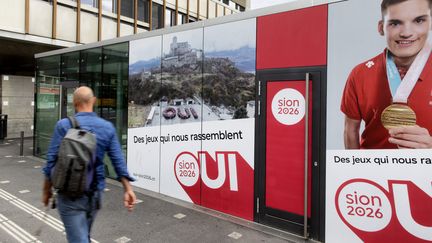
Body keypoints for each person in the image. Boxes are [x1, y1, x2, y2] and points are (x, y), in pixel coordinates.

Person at [42, 86, 136, 243]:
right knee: (83, 235)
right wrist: (128, 189)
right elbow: (117, 161)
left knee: (79, 238)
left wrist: (46, 191)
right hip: (94, 194)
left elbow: (51, 161)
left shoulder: (63, 126)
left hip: (68, 194)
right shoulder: (107, 127)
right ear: (93, 101)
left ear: (74, 103)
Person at [341, 0, 432, 149]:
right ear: (381, 27)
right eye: (395, 23)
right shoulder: (359, 74)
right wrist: (355, 170)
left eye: (419, 20)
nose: (406, 33)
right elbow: (350, 130)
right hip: (372, 170)